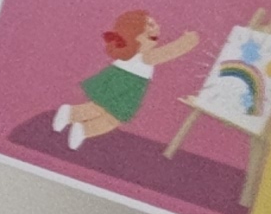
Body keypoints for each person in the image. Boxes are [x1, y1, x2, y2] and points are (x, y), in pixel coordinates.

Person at [52, 9, 198, 152]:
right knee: (101, 108)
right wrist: (189, 40)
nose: (157, 27)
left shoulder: (143, 52)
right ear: (138, 34)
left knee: (114, 117)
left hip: (132, 85)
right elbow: (170, 52)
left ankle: (84, 129)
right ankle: (71, 114)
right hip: (124, 81)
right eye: (150, 25)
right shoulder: (146, 55)